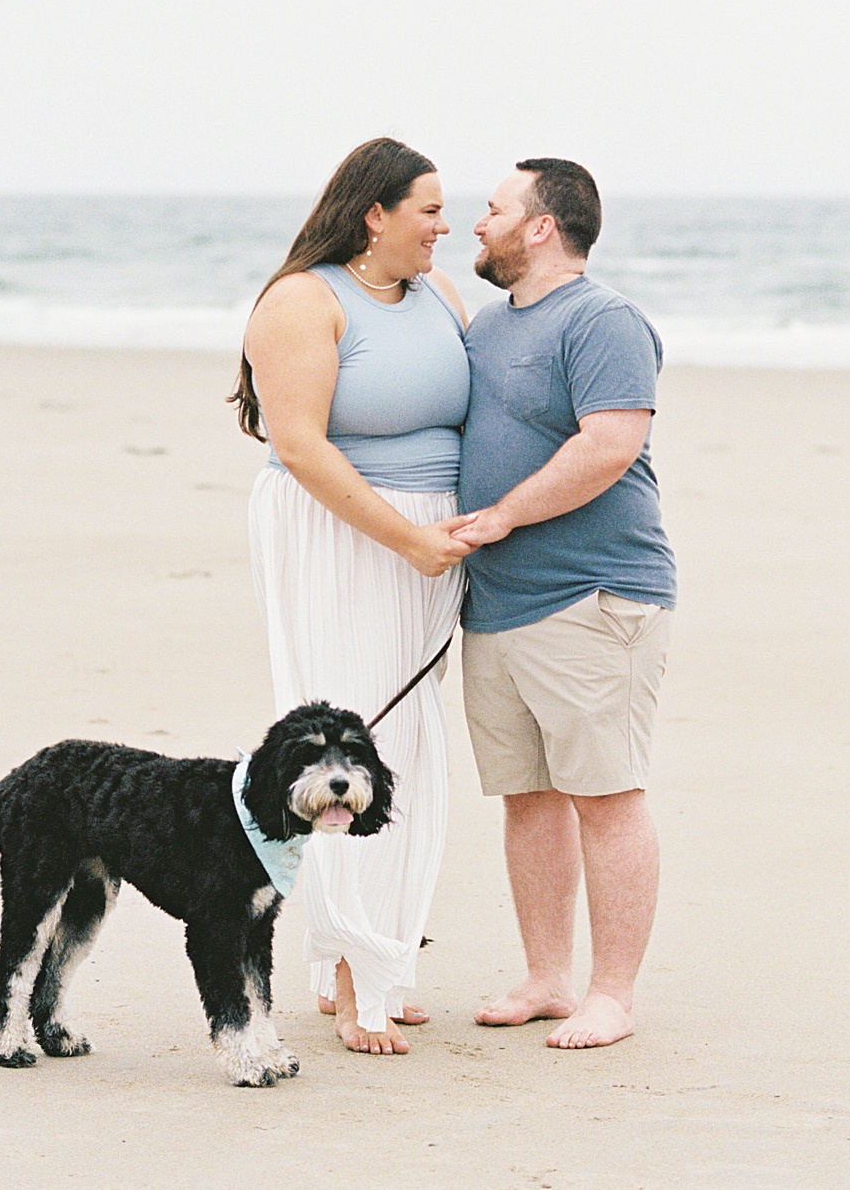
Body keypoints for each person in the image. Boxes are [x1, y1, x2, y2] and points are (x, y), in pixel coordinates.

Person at [234, 138, 471, 1057]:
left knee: (411, 740)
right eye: (429, 208)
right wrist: (408, 536)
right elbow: (300, 444)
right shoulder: (303, 299)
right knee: (344, 737)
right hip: (339, 532)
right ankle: (345, 973)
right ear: (375, 213)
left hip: (428, 543)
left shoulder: (440, 295)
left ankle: (383, 954)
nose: (445, 226)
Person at [449, 158, 677, 1049]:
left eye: (495, 208)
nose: (480, 222)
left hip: (594, 594)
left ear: (541, 226)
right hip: (496, 603)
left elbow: (612, 444)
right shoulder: (490, 327)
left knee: (605, 794)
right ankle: (547, 976)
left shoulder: (603, 319)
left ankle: (610, 994)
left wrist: (502, 514)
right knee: (528, 797)